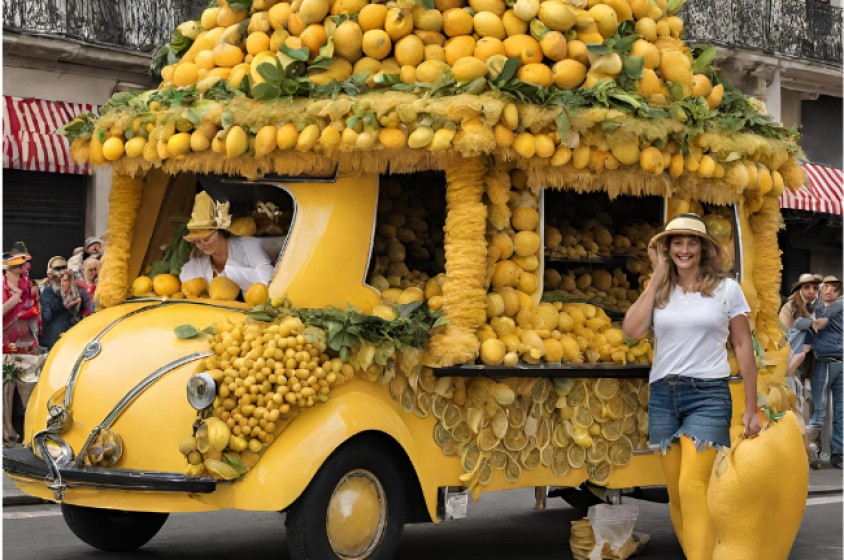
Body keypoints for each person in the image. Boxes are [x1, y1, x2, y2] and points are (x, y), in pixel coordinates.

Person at [622, 213, 760, 560]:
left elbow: (743, 347)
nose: (685, 250)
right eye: (677, 243)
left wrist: (751, 407)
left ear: (703, 248)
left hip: (708, 396)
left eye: (692, 242)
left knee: (692, 486)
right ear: (667, 249)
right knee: (677, 492)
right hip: (664, 397)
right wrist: (654, 279)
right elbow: (631, 331)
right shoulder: (660, 290)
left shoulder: (727, 289)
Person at [180, 191, 274, 294]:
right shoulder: (198, 257)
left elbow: (268, 280)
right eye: (198, 241)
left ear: (220, 231)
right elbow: (185, 283)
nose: (203, 243)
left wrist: (230, 273)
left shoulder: (247, 245)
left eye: (207, 238)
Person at [2, 244, 44, 445]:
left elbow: (37, 317)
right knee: (4, 400)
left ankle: (32, 438)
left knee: (31, 397)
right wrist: (15, 299)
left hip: (28, 349)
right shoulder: (3, 287)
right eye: (20, 265)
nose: (24, 268)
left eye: (25, 265)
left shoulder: (30, 286)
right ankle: (7, 439)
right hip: (5, 349)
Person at [806, 275, 842, 469]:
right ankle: (814, 453)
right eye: (826, 287)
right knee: (819, 410)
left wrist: (801, 325)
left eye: (834, 289)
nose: (829, 291)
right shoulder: (816, 304)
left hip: (836, 362)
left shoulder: (838, 305)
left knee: (838, 412)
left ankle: (836, 454)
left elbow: (819, 323)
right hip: (824, 362)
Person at [779, 273, 823, 407]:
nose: (811, 291)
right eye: (807, 287)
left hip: (806, 363)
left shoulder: (815, 306)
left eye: (815, 288)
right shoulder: (791, 306)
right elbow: (782, 334)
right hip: (791, 359)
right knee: (794, 402)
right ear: (800, 289)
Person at [40, 256, 91, 350]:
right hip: (55, 337)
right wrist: (61, 296)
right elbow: (46, 317)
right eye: (58, 269)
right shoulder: (47, 292)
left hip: (77, 334)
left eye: (64, 267)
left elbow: (89, 308)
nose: (62, 271)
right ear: (50, 272)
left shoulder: (77, 288)